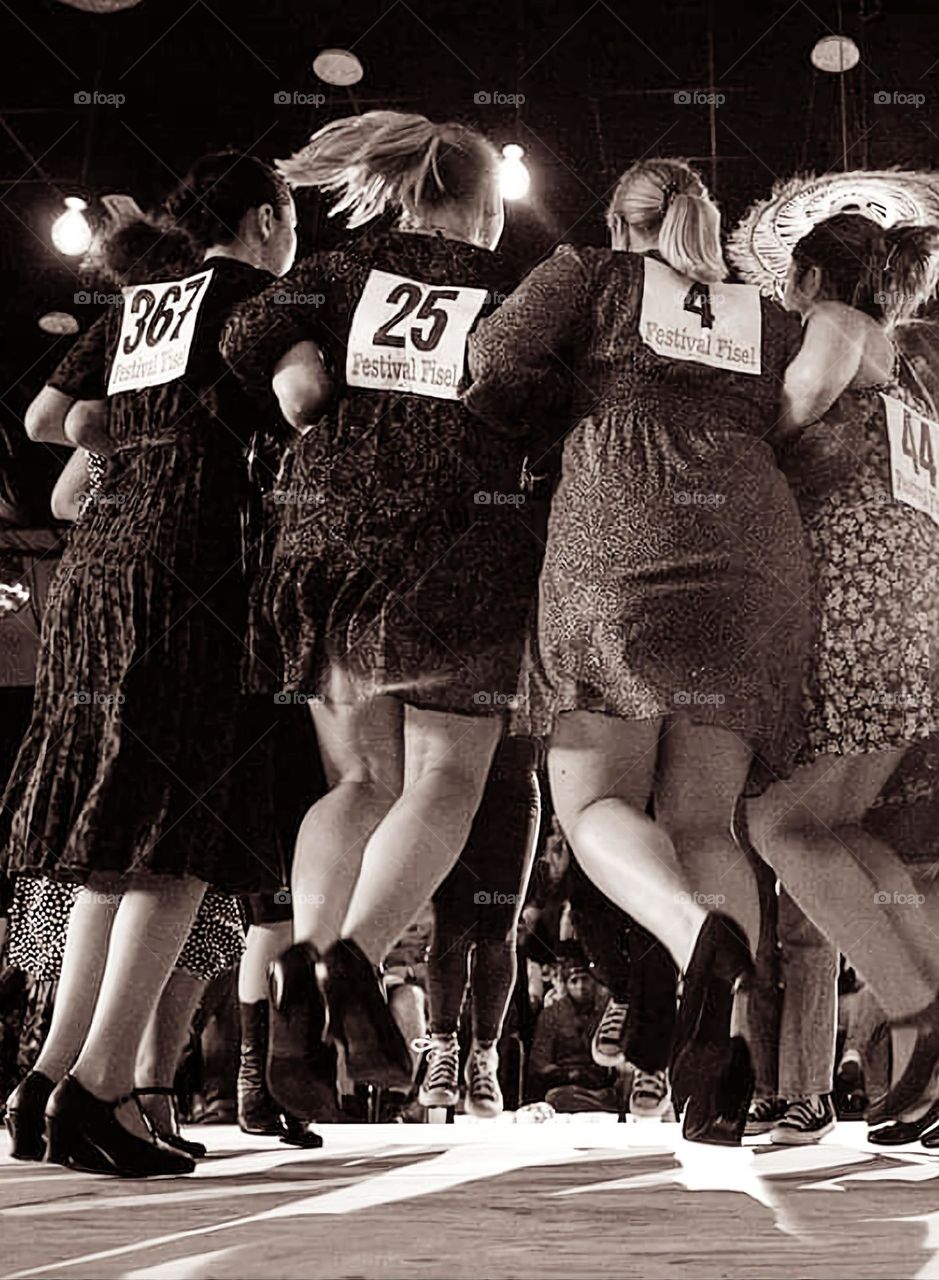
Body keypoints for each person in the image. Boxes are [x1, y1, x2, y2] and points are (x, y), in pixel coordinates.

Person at [465, 157, 811, 1144]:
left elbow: (491, 369)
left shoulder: (588, 274)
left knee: (595, 800)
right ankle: (714, 1071)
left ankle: (696, 937)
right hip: (751, 550)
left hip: (623, 525)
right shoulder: (767, 314)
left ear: (623, 222)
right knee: (707, 821)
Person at [220, 111, 540, 1097]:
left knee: (359, 780)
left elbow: (255, 344)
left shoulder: (332, 272)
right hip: (459, 542)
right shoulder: (510, 288)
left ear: (404, 190)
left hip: (326, 538)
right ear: (485, 206)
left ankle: (303, 974)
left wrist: (294, 363)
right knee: (446, 775)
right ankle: (350, 953)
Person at [1, 152, 299, 1177]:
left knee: (115, 835)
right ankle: (104, 1092)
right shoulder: (261, 294)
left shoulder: (151, 302)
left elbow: (46, 423)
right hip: (188, 563)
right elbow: (305, 403)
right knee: (182, 835)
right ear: (266, 220)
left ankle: (47, 1078)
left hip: (94, 569)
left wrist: (131, 434)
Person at [743, 214, 939, 1133]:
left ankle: (915, 1013)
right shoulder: (912, 368)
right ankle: (928, 1023)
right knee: (843, 828)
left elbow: (803, 393)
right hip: (910, 612)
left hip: (853, 601)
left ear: (813, 273)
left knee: (777, 821)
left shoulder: (840, 323)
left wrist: (746, 448)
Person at [419, 733, 542, 1118]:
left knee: (499, 931)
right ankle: (443, 1050)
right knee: (450, 926)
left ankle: (484, 1057)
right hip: (450, 775)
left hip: (513, 775)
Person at [529, 945, 619, 1113]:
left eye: (585, 979)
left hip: (604, 1087)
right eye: (574, 981)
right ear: (566, 984)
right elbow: (540, 1064)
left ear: (594, 981)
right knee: (555, 1097)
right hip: (566, 1088)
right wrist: (572, 1074)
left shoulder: (609, 1010)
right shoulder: (551, 1015)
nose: (581, 987)